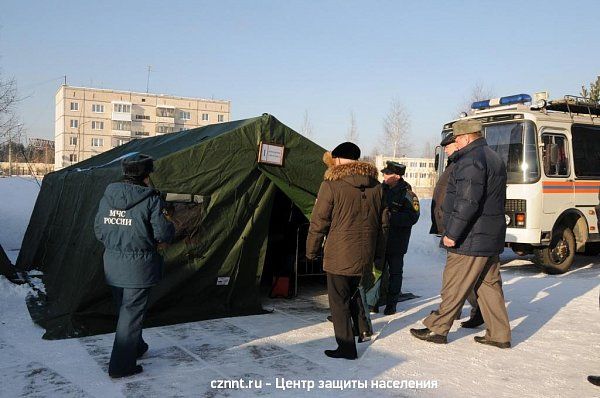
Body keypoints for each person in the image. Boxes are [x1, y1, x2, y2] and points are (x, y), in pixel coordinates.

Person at [410, 119, 511, 348]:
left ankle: (437, 328)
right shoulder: (492, 157)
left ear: (465, 138)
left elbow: (467, 201)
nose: (455, 142)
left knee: (456, 283)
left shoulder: (471, 160)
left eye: (456, 139)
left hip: (470, 237)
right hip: (488, 235)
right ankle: (499, 334)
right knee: (489, 285)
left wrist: (452, 233)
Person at [94, 154, 175, 378]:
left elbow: (99, 231)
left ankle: (136, 347)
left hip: (112, 264)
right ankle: (121, 366)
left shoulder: (107, 197)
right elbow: (162, 233)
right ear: (146, 176)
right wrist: (169, 223)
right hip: (139, 267)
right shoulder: (151, 200)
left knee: (126, 310)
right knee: (130, 314)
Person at [306, 142, 388, 360]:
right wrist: (378, 254)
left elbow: (318, 222)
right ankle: (361, 330)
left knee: (338, 302)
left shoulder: (331, 184)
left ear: (339, 159)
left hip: (339, 255)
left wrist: (311, 250)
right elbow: (383, 225)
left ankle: (346, 347)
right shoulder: (377, 187)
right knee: (354, 294)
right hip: (365, 254)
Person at [430, 134, 483, 328]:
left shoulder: (464, 165)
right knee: (463, 277)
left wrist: (452, 231)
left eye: (449, 145)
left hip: (458, 230)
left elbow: (465, 202)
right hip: (452, 226)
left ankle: (449, 315)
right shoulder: (454, 164)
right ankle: (459, 310)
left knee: (457, 277)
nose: (445, 149)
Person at [378, 161, 419, 315]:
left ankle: (391, 303)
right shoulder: (381, 189)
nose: (384, 176)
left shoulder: (408, 194)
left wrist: (390, 217)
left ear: (397, 176)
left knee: (395, 273)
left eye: (387, 173)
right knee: (377, 272)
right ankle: (374, 301)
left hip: (396, 241)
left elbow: (413, 217)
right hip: (380, 239)